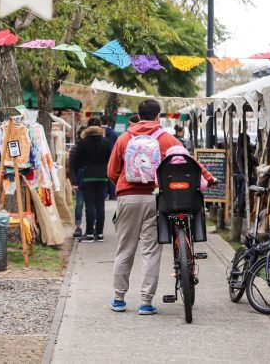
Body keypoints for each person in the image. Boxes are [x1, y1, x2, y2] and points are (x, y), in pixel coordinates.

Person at [107, 99, 213, 315]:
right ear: (158, 117)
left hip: (127, 198)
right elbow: (186, 162)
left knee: (125, 250)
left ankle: (119, 298)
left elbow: (111, 171)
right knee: (151, 252)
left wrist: (126, 183)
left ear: (138, 114)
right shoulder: (167, 139)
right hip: (156, 199)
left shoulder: (124, 138)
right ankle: (146, 302)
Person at [69, 117, 112, 242]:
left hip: (88, 176)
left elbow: (76, 162)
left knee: (89, 206)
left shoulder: (83, 142)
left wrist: (75, 179)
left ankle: (88, 234)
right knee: (100, 205)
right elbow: (109, 159)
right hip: (103, 177)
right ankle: (99, 233)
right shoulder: (105, 142)